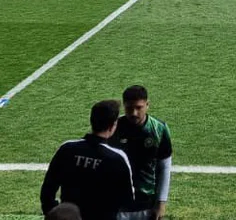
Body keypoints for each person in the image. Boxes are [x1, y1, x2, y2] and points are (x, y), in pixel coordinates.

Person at [41, 99, 138, 220]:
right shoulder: (117, 158)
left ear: (92, 120)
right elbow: (127, 199)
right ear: (113, 125)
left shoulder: (67, 148)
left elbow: (48, 188)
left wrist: (51, 212)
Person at [110, 85, 173, 219]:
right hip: (117, 204)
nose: (134, 113)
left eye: (139, 108)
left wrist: (161, 202)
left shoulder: (159, 129)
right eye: (129, 108)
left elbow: (164, 166)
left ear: (147, 105)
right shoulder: (112, 128)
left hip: (147, 204)